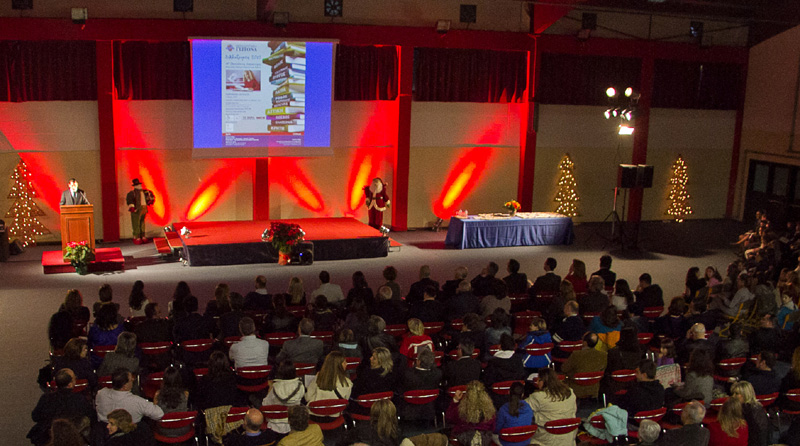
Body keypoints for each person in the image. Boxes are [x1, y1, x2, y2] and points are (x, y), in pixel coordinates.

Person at [28, 369, 94, 446]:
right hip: (72, 438)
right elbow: (92, 416)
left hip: (47, 437)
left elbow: (35, 416)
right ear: (70, 384)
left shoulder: (46, 398)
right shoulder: (79, 399)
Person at [525, 368, 578, 446]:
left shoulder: (538, 397)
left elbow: (520, 409)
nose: (537, 382)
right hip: (568, 438)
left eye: (539, 380)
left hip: (546, 439)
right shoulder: (570, 392)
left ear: (543, 381)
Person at [96, 368, 164, 423]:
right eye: (131, 380)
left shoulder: (100, 394)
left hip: (104, 434)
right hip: (129, 435)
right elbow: (159, 414)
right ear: (124, 386)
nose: (133, 379)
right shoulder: (138, 402)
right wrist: (155, 402)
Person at [445, 380, 497, 445]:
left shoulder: (461, 409)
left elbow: (449, 418)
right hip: (485, 438)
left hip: (464, 438)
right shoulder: (490, 409)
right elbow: (493, 427)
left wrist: (455, 401)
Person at [398, 347, 442, 422]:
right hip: (430, 411)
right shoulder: (438, 374)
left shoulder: (407, 374)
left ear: (418, 361)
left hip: (409, 412)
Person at [261, 360, 306, 434]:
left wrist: (269, 390)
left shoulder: (275, 387)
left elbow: (265, 404)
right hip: (293, 421)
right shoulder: (300, 386)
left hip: (274, 423)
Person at [349, 347, 396, 416]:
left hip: (364, 409)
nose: (370, 358)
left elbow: (354, 393)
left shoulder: (366, 374)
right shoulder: (392, 375)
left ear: (381, 361)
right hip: (384, 408)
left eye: (374, 358)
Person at [305, 351, 353, 418]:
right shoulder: (347, 383)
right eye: (344, 362)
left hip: (314, 416)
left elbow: (307, 397)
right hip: (335, 416)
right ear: (339, 365)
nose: (347, 364)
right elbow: (345, 401)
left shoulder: (318, 378)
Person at [562, 332, 607, 399]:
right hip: (593, 388)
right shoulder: (603, 355)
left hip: (576, 388)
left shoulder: (576, 354)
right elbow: (603, 369)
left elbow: (564, 368)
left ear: (585, 343)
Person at [494, 382, 534, 446]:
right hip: (525, 442)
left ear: (509, 392)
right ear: (522, 394)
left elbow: (497, 429)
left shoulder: (503, 409)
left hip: (506, 443)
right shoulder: (528, 408)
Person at [731, 381, 769, 446]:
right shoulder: (757, 407)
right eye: (733, 393)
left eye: (736, 393)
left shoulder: (747, 411)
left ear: (745, 394)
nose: (733, 396)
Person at [87, 304, 126, 368]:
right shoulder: (121, 330)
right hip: (116, 362)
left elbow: (89, 344)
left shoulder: (94, 330)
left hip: (97, 362)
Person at [125, 178, 155, 244]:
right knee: (136, 223)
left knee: (142, 222)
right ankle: (137, 236)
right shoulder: (132, 193)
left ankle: (142, 236)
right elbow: (130, 200)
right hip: (136, 209)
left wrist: (150, 201)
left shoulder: (145, 192)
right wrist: (132, 206)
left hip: (143, 208)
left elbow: (151, 197)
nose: (139, 186)